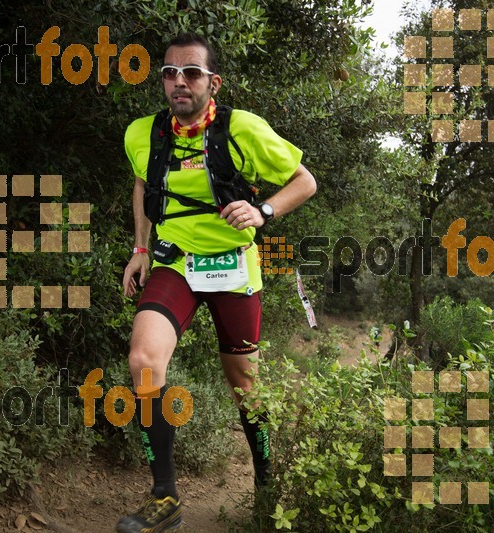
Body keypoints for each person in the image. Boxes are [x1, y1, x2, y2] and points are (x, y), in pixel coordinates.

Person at [117, 32, 316, 532]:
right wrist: (141, 249)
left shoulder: (243, 129)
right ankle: (165, 498)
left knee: (245, 385)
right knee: (144, 362)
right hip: (175, 263)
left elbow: (305, 182)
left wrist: (263, 209)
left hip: (233, 267)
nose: (178, 82)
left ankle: (267, 489)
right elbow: (143, 185)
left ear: (212, 82)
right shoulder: (143, 133)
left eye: (191, 72)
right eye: (169, 73)